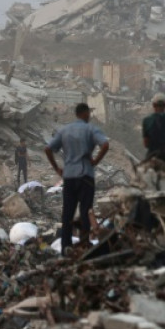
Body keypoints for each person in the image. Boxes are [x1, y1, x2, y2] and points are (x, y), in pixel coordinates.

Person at [44, 103, 110, 253]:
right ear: (86, 113)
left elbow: (48, 149)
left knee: (67, 213)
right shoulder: (91, 129)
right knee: (86, 211)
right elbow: (105, 145)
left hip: (69, 176)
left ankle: (65, 248)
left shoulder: (64, 130)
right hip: (85, 175)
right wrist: (95, 161)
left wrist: (56, 168)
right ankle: (84, 245)